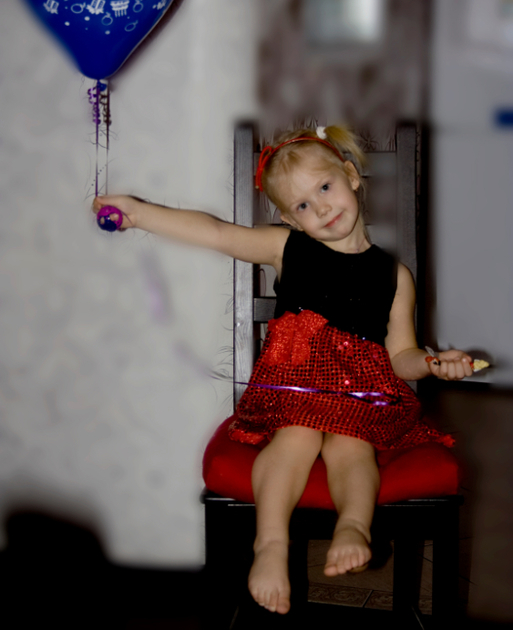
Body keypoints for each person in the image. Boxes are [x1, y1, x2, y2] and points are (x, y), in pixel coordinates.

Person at [92, 124, 473, 616]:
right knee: (296, 438)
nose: (322, 208)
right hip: (295, 385)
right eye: (303, 205)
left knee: (351, 446)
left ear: (351, 176)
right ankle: (270, 544)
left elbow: (402, 355)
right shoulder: (286, 249)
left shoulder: (395, 276)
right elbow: (216, 232)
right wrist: (140, 213)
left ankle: (353, 526)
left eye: (325, 187)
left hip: (360, 394)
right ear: (289, 219)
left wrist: (433, 363)